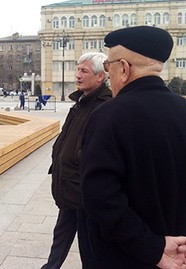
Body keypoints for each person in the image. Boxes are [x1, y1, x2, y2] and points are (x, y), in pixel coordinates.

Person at [77, 26, 186, 268]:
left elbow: (98, 198)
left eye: (108, 67)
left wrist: (154, 249)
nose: (108, 75)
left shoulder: (107, 118)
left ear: (124, 68)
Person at [42, 52, 112, 269]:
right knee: (60, 236)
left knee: (90, 246)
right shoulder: (81, 102)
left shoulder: (105, 105)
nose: (77, 75)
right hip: (69, 187)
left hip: (85, 191)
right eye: (77, 70)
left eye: (84, 71)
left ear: (100, 77)